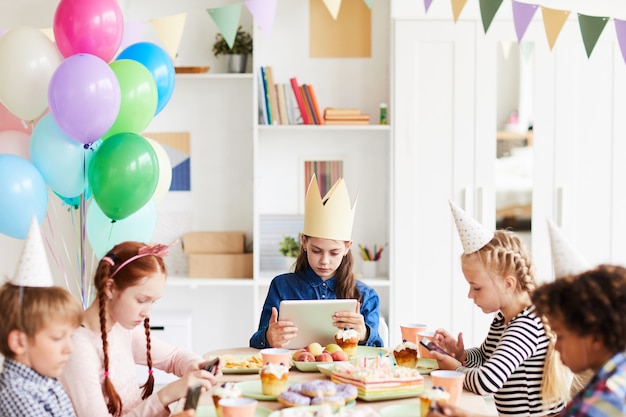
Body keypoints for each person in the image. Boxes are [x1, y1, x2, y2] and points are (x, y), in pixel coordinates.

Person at [428, 265, 626, 417]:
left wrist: (455, 369)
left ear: (596, 337)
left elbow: (487, 380)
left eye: (562, 336)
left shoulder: (605, 401)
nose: (555, 346)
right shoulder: (610, 380)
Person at [429, 202, 570, 416]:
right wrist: (461, 354)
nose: (470, 295)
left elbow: (487, 381)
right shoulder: (503, 319)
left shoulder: (526, 326)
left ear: (508, 284)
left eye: (476, 287)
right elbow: (486, 357)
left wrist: (453, 369)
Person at [60, 241, 220, 417]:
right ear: (110, 288)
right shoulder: (78, 349)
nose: (147, 312)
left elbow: (173, 358)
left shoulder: (121, 328)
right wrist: (166, 395)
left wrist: (197, 367)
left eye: (153, 302)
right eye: (142, 300)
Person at [250, 174, 383, 348]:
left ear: (347, 248)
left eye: (334, 252)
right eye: (317, 251)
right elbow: (256, 341)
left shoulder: (366, 295)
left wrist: (364, 333)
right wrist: (268, 336)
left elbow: (379, 350)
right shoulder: (282, 286)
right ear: (304, 242)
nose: (325, 261)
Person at [0, 218, 84, 417]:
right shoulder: (17, 395)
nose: (69, 347)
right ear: (20, 342)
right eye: (57, 337)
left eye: (70, 337)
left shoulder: (46, 379)